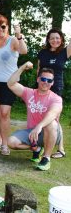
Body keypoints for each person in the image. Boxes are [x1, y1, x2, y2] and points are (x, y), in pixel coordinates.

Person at [7, 62, 62, 171]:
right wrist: (22, 67)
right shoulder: (29, 93)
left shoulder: (56, 98)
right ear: (38, 79)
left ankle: (46, 158)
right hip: (33, 132)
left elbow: (53, 114)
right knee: (11, 142)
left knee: (51, 123)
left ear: (52, 83)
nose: (45, 82)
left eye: (49, 80)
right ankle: (37, 149)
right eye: (43, 79)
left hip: (52, 132)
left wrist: (39, 126)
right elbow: (11, 84)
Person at [0, 14, 27, 156]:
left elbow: (24, 51)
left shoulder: (12, 40)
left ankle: (5, 145)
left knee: (5, 113)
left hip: (9, 83)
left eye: (3, 26)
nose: (0, 30)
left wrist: (19, 36)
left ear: (7, 27)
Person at [37, 28, 71, 159]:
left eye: (57, 38)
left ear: (61, 39)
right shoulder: (42, 53)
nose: (55, 40)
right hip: (42, 87)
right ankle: (41, 144)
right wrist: (38, 85)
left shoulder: (64, 52)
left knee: (55, 118)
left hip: (56, 88)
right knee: (41, 115)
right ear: (48, 39)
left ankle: (61, 149)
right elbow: (39, 70)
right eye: (52, 38)